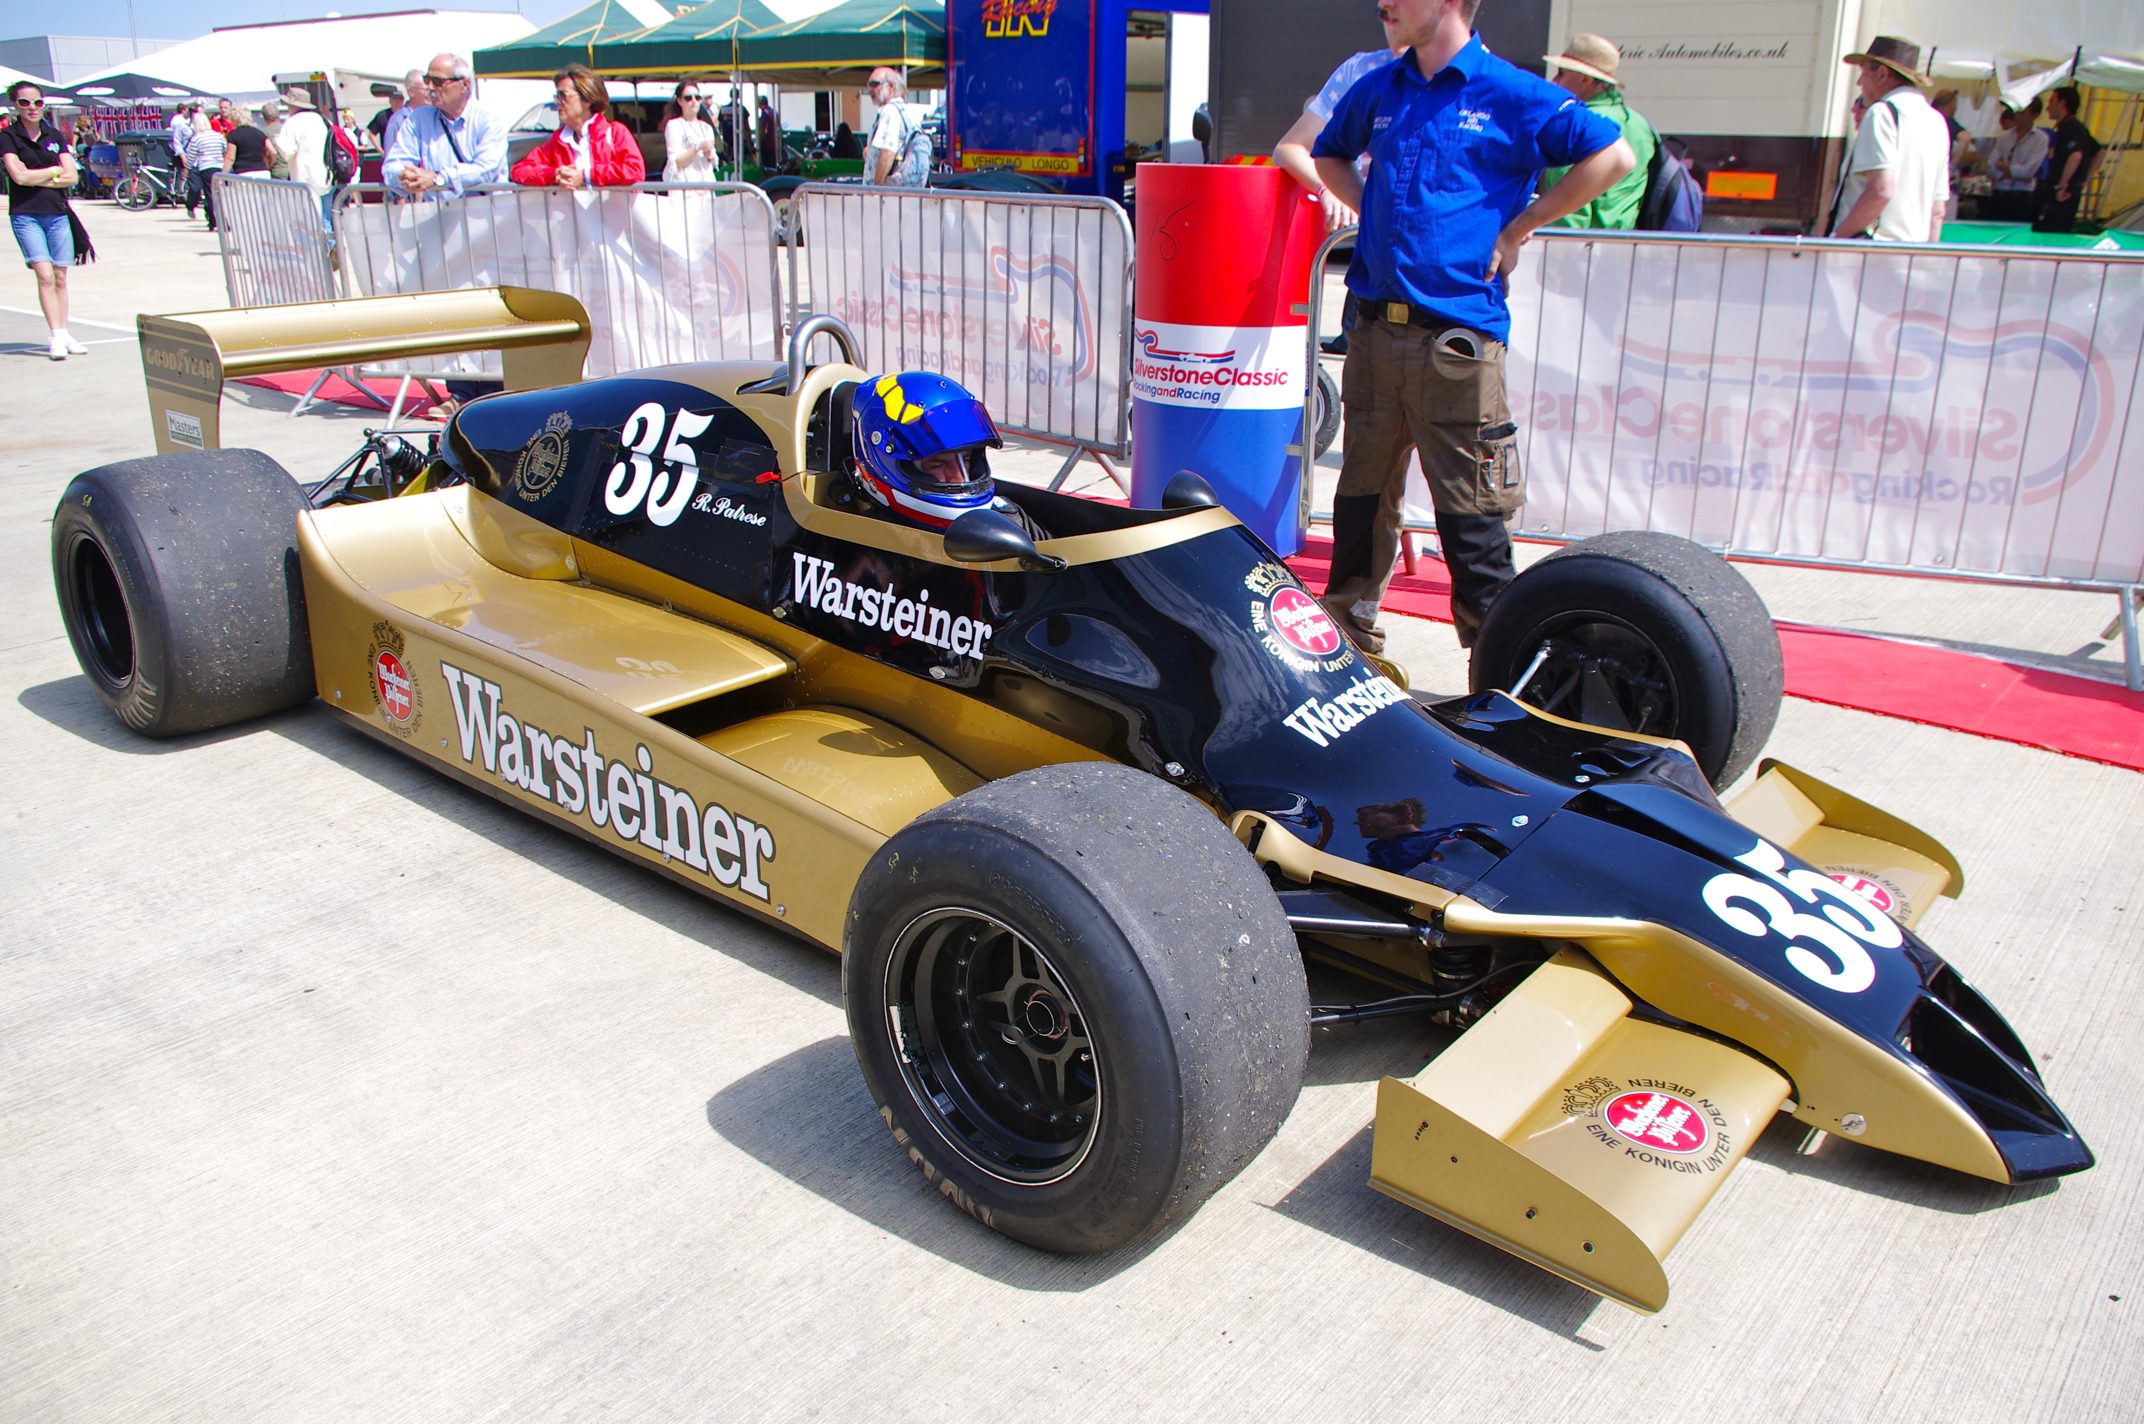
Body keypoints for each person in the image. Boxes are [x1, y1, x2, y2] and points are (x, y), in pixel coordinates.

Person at [1310, 0, 1633, 654]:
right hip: (1374, 334)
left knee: (1472, 523)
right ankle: (1347, 646)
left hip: (1455, 342)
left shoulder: (1509, 92)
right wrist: (1365, 210)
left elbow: (1613, 158)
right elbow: (1327, 153)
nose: (1384, 5)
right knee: (1360, 506)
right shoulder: (1380, 88)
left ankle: (1504, 680)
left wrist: (1520, 227)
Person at [1273, 12, 1405, 354]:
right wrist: (1329, 187)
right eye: (1383, 11)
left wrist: (1515, 226)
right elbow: (1291, 147)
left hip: (1446, 299)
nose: (1388, 12)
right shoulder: (1362, 72)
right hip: (1375, 270)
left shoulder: (1479, 77)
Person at [839, 371, 1043, 538]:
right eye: (937, 465)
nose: (960, 478)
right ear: (885, 463)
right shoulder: (862, 545)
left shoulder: (1009, 520)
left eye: (967, 460)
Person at [1827, 36, 1949, 242]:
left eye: (1864, 73)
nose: (1859, 82)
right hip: (1910, 254)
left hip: (1870, 249)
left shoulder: (1882, 112)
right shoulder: (1936, 120)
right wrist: (1926, 257)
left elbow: (1881, 190)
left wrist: (1838, 237)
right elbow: (1937, 211)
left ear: (1882, 74)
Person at [3, 80, 88, 360]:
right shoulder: (9, 137)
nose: (32, 108)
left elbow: (72, 176)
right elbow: (19, 177)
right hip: (26, 214)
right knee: (44, 274)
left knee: (61, 277)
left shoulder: (54, 135)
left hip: (57, 212)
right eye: (25, 103)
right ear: (15, 105)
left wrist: (40, 175)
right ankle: (55, 336)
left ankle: (64, 333)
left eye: (37, 103)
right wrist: (53, 171)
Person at [1539, 34, 1655, 230]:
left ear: (1585, 80)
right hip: (1624, 247)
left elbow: (1565, 209)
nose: (1554, 80)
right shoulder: (1640, 125)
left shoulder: (1577, 122)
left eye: (1561, 73)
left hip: (1575, 248)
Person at [383, 53, 508, 199]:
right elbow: (391, 166)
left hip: (487, 215)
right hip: (440, 217)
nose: (429, 87)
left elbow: (486, 170)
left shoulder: (488, 120)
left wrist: (438, 179)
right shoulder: (417, 119)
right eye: (427, 80)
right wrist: (403, 176)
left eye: (437, 81)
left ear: (464, 85)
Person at [511, 65, 643, 189]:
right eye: (557, 96)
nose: (557, 102)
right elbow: (519, 170)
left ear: (587, 99)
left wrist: (586, 176)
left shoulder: (615, 132)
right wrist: (554, 175)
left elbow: (635, 170)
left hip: (614, 212)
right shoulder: (558, 140)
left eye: (563, 96)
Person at [2032, 86, 2102, 235]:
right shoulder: (2080, 128)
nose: (2048, 107)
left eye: (2052, 102)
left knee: (2051, 233)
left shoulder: (2069, 128)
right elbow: (2099, 152)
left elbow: (2075, 156)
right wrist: (2085, 179)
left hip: (2061, 195)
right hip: (2071, 192)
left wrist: (2062, 185)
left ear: (2062, 104)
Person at [273, 83, 335, 230]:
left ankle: (316, 252)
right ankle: (330, 249)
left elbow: (287, 151)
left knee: (307, 224)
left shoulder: (292, 123)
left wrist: (276, 140)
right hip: (327, 178)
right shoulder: (323, 120)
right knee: (326, 220)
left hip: (305, 181)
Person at [864, 68, 932, 187]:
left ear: (890, 86)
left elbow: (888, 153)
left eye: (874, 84)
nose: (870, 90)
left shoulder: (890, 111)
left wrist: (875, 190)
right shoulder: (906, 111)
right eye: (868, 85)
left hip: (887, 196)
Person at [1986, 99, 2047, 223]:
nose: (2017, 116)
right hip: (1999, 192)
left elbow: (2028, 171)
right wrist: (2004, 174)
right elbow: (1990, 166)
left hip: (2022, 195)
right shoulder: (2004, 137)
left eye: (2022, 113)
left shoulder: (2040, 139)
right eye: (2017, 112)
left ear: (2034, 115)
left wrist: (2006, 168)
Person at [661, 80, 716, 182]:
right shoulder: (674, 125)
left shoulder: (707, 127)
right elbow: (676, 161)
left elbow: (714, 162)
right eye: (688, 98)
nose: (694, 101)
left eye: (697, 97)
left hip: (706, 187)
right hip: (684, 188)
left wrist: (710, 155)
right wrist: (697, 147)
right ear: (679, 101)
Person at [184, 110, 226, 230]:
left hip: (206, 168)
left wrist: (187, 170)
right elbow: (225, 149)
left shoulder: (197, 138)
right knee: (220, 195)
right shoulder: (218, 135)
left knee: (210, 195)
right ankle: (224, 220)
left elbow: (191, 157)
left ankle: (214, 221)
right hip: (219, 167)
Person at [225, 106, 271, 181]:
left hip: (243, 174)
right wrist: (268, 164)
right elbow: (272, 151)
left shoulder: (233, 135)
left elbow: (230, 157)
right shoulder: (259, 133)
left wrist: (223, 175)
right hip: (263, 173)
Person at [258, 99, 289, 179]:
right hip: (291, 170)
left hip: (276, 171)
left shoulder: (263, 133)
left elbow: (265, 154)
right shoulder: (287, 128)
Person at [756, 95, 781, 170]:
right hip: (775, 144)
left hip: (767, 144)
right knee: (773, 167)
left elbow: (763, 130)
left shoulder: (765, 113)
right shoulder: (774, 112)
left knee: (767, 168)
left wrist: (758, 142)